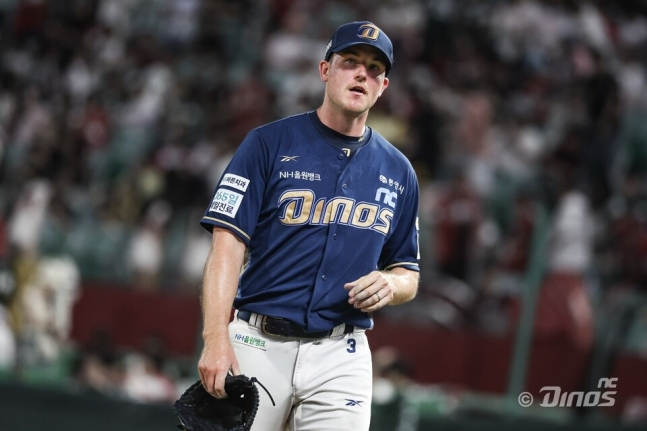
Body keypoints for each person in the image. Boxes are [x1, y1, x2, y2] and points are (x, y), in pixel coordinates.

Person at [197, 21, 420, 431]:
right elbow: (227, 245)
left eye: (373, 69)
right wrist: (215, 337)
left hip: (342, 353)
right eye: (350, 62)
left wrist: (392, 284)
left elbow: (408, 271)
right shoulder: (268, 144)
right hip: (259, 342)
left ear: (383, 86)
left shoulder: (399, 171)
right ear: (325, 70)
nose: (361, 74)